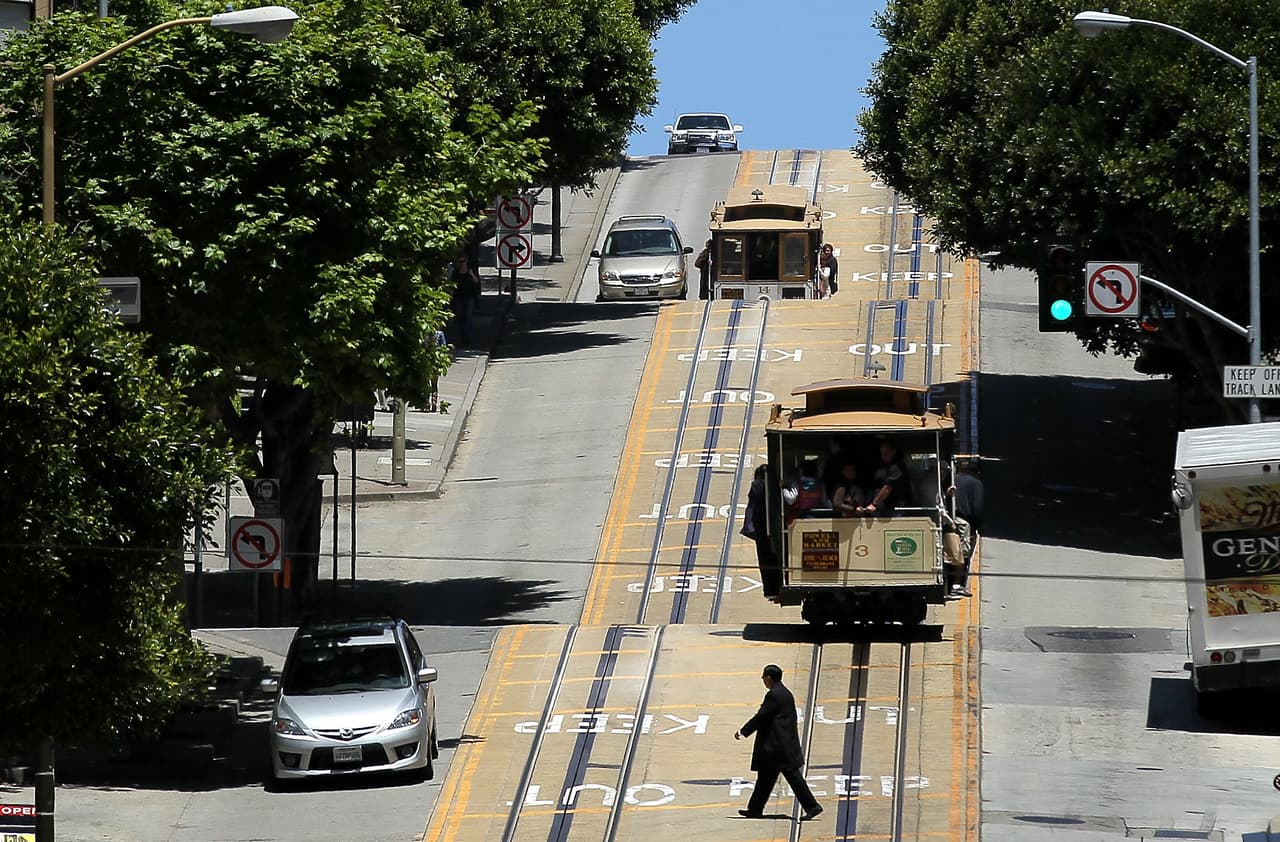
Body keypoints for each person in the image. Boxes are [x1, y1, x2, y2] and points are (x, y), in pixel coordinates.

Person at [734, 664, 823, 821]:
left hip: (778, 747)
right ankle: (755, 809)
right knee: (765, 779)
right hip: (781, 746)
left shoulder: (774, 695)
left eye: (764, 677)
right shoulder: (784, 693)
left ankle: (812, 806)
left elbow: (762, 716)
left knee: (793, 778)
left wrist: (743, 731)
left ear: (769, 678)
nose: (763, 680)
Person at [943, 460, 984, 597]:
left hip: (946, 519)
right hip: (963, 522)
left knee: (947, 552)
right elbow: (977, 507)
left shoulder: (950, 480)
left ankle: (947, 585)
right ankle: (957, 585)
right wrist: (977, 526)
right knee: (962, 553)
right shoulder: (976, 483)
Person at [743, 464, 782, 599]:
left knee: (766, 559)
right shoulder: (776, 484)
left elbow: (751, 508)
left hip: (761, 529)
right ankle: (780, 586)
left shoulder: (757, 487)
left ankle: (771, 590)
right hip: (777, 526)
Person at [857, 438, 912, 517]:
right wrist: (863, 506)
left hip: (895, 509)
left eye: (886, 453)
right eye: (881, 453)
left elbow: (887, 488)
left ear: (893, 451)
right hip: (880, 509)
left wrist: (874, 504)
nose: (883, 456)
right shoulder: (880, 467)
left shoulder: (898, 467)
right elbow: (872, 488)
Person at [449, 255, 481, 347]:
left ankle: (467, 338)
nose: (461, 263)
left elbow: (476, 282)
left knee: (468, 317)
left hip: (469, 297)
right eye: (460, 261)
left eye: (463, 261)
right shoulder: (456, 273)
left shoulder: (470, 271)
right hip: (458, 297)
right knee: (460, 318)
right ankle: (462, 336)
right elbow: (452, 285)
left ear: (466, 261)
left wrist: (471, 274)